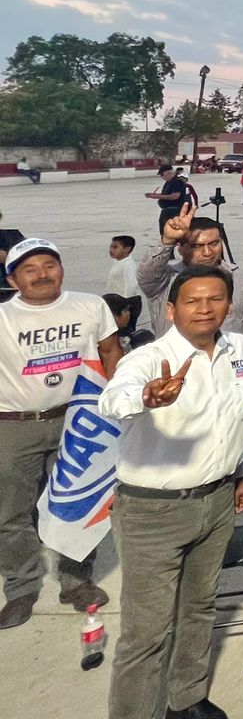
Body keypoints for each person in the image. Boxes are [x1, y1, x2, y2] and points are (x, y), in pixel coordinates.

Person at [98, 265, 243, 719]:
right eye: (192, 300)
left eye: (215, 299)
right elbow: (114, 397)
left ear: (229, 304)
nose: (204, 308)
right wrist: (145, 398)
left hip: (218, 500)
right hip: (154, 511)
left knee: (199, 609)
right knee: (146, 632)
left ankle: (185, 701)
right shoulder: (150, 358)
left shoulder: (239, 348)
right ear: (170, 309)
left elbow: (234, 419)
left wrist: (239, 472)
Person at [0, 240, 121, 628]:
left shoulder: (90, 306)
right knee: (11, 511)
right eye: (30, 269)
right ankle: (20, 588)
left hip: (78, 421)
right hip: (14, 425)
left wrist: (119, 403)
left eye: (49, 265)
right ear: (12, 278)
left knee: (78, 503)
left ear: (61, 268)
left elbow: (111, 353)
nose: (42, 275)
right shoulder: (3, 317)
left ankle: (76, 580)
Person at [137, 203, 243, 371]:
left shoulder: (241, 277)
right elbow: (146, 274)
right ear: (181, 248)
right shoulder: (164, 279)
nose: (207, 252)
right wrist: (167, 241)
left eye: (214, 244)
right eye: (197, 246)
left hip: (228, 369)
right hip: (176, 370)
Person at [146, 163, 191, 230]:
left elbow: (175, 196)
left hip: (175, 210)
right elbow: (167, 194)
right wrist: (155, 195)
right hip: (169, 210)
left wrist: (158, 197)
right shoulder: (169, 182)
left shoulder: (177, 182)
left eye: (162, 175)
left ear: (168, 173)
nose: (161, 177)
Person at [107, 233, 139, 300]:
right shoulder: (119, 262)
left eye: (115, 247)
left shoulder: (128, 265)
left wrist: (125, 306)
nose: (111, 250)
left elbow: (132, 286)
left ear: (127, 249)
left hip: (126, 302)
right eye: (111, 247)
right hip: (116, 300)